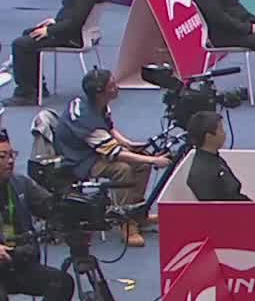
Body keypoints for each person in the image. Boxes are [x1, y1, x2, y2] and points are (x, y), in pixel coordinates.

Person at [51, 69, 170, 246]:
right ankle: (125, 222)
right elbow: (115, 153)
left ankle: (138, 213)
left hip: (92, 150)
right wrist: (154, 160)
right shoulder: (85, 119)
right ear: (100, 92)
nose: (117, 87)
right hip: (78, 159)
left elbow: (109, 128)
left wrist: (129, 144)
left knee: (141, 163)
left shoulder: (98, 103)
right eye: (112, 86)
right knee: (122, 170)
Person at [0, 133, 74, 301]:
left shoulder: (20, 185)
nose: (10, 161)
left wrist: (69, 204)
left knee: (61, 282)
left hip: (18, 262)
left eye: (12, 155)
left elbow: (51, 206)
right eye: (3, 156)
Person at [10, 0, 109, 105]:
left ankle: (27, 94)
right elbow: (76, 13)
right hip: (79, 31)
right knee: (29, 34)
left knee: (21, 44)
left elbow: (76, 21)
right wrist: (54, 22)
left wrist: (50, 30)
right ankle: (37, 87)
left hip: (74, 36)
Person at [185, 111, 247, 201]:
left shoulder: (214, 158)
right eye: (221, 130)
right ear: (209, 136)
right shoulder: (202, 172)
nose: (224, 133)